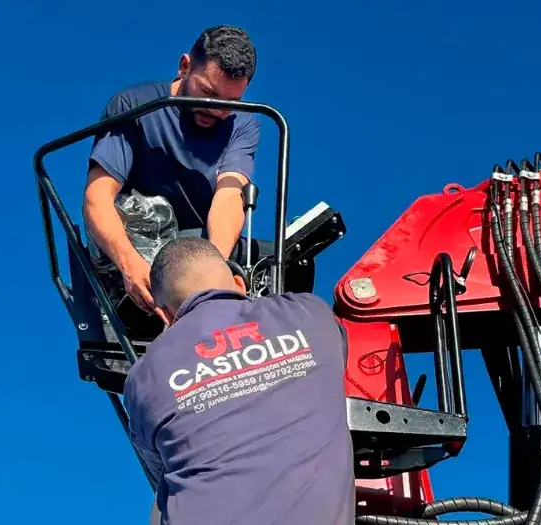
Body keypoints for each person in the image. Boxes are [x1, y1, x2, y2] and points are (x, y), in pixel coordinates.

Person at [122, 237, 355, 525]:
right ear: (239, 283)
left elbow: (159, 469)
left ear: (164, 315)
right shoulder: (311, 312)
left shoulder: (143, 376)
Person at [83, 24, 261, 315]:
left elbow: (229, 196)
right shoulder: (134, 105)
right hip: (138, 243)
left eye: (231, 102)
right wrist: (130, 265)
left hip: (200, 247)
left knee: (286, 261)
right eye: (208, 93)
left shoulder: (243, 124)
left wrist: (212, 272)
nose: (217, 110)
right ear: (184, 67)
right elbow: (98, 197)